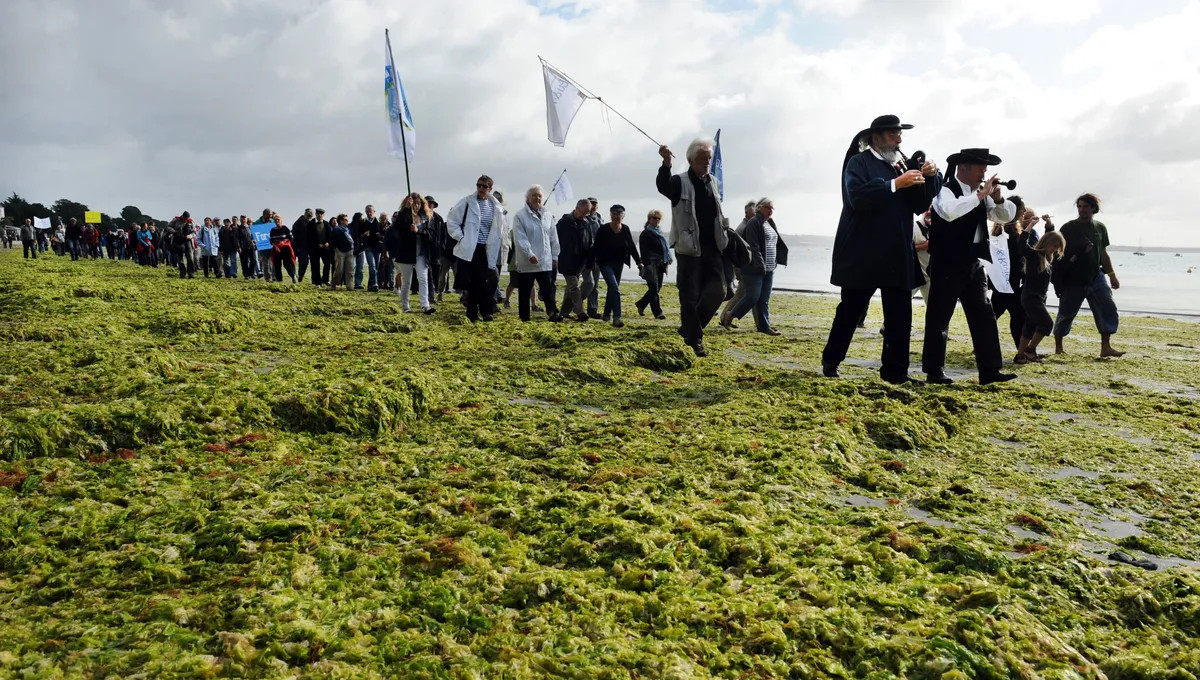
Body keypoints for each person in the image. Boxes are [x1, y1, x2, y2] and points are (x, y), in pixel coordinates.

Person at [822, 115, 940, 382]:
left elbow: (919, 205)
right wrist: (896, 184)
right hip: (862, 253)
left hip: (897, 252)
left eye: (900, 134)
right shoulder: (858, 162)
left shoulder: (901, 165)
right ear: (875, 137)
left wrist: (930, 177)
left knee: (900, 316)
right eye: (893, 135)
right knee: (850, 311)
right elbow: (857, 197)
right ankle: (831, 360)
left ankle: (896, 372)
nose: (899, 139)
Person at [922, 148, 1017, 385]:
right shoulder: (945, 190)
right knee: (939, 317)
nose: (984, 173)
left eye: (985, 169)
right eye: (980, 168)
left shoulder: (980, 194)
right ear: (963, 167)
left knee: (984, 315)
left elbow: (1003, 217)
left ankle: (990, 370)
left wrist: (997, 198)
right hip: (946, 261)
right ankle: (935, 371)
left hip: (974, 261)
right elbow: (950, 212)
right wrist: (980, 195)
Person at [656, 138, 730, 357]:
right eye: (702, 158)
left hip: (713, 247)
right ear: (691, 160)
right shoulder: (679, 182)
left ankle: (689, 328)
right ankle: (694, 340)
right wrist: (666, 163)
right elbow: (663, 186)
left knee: (718, 292)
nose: (707, 162)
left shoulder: (713, 181)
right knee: (689, 296)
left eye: (709, 158)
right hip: (688, 248)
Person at [1053, 193, 1123, 357]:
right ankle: (1058, 348)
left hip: (1096, 276)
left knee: (1107, 308)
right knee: (1066, 313)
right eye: (1079, 206)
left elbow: (1103, 254)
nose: (1082, 209)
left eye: (1085, 206)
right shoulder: (1068, 227)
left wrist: (1112, 275)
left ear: (1093, 208)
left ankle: (1106, 347)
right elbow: (1057, 253)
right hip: (1074, 278)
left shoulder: (1100, 227)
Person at [445, 175, 509, 323]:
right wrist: (461, 237)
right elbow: (452, 221)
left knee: (491, 278)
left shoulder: (495, 206)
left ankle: (474, 312)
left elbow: (501, 228)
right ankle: (484, 311)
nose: (481, 188)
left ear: (490, 188)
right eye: (479, 185)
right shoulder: (467, 202)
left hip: (488, 247)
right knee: (478, 280)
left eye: (484, 186)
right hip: (472, 247)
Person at [727, 198, 787, 335]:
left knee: (764, 300)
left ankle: (764, 327)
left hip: (770, 267)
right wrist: (760, 264)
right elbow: (753, 246)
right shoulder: (754, 222)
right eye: (767, 207)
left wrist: (776, 260)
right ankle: (730, 315)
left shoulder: (769, 223)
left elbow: (774, 243)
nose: (770, 211)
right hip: (754, 267)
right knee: (752, 297)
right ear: (759, 207)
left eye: (772, 208)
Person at [987, 196, 1036, 351]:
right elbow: (1018, 255)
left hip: (1001, 282)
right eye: (1022, 209)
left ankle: (983, 346)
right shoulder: (1010, 232)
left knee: (993, 315)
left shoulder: (1000, 230)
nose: (1024, 212)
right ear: (1015, 210)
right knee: (1018, 317)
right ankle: (1021, 351)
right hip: (1010, 283)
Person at [511, 185, 562, 322]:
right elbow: (520, 239)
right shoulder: (520, 216)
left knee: (547, 289)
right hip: (528, 261)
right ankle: (524, 317)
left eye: (539, 196)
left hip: (545, 260)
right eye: (534, 195)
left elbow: (553, 237)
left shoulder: (548, 215)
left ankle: (552, 313)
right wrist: (530, 254)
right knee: (525, 291)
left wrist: (555, 256)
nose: (537, 198)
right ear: (528, 198)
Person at [590, 204, 641, 328]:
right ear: (610, 215)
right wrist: (589, 263)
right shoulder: (604, 229)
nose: (616, 216)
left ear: (623, 216)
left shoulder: (625, 229)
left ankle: (606, 314)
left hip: (619, 263)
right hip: (605, 263)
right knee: (615, 288)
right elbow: (596, 246)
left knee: (612, 289)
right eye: (614, 213)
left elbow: (631, 246)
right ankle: (617, 317)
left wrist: (639, 262)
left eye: (619, 214)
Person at [1018, 229, 1065, 363]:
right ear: (1046, 242)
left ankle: (1020, 355)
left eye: (1057, 247)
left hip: (1039, 298)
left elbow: (1050, 233)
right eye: (1054, 246)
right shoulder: (1034, 255)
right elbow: (1022, 244)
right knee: (1047, 324)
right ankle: (1030, 350)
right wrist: (1030, 226)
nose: (1054, 250)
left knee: (1030, 325)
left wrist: (1049, 225)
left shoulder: (1048, 258)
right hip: (1031, 297)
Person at [389, 193, 437, 313]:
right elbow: (397, 226)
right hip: (406, 253)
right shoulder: (404, 216)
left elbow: (431, 234)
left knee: (423, 278)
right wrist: (406, 208)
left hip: (421, 253)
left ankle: (425, 305)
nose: (416, 206)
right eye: (414, 203)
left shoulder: (426, 217)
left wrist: (419, 230)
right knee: (407, 281)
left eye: (418, 203)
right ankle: (406, 306)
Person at [719, 201, 757, 328]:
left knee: (745, 293)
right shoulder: (744, 227)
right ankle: (725, 317)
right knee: (742, 293)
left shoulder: (746, 226)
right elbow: (738, 249)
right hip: (742, 265)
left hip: (742, 264)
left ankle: (725, 317)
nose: (756, 214)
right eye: (754, 211)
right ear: (747, 213)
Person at [556, 199, 594, 322]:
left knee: (589, 284)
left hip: (582, 261)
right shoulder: (564, 222)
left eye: (587, 213)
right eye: (583, 212)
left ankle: (564, 312)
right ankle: (580, 312)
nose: (584, 215)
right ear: (576, 208)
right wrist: (554, 257)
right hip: (566, 260)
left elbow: (590, 243)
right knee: (573, 286)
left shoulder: (587, 223)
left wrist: (590, 261)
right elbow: (554, 240)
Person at [635, 209, 671, 319]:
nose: (656, 220)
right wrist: (646, 264)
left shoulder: (660, 233)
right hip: (651, 264)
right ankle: (658, 313)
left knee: (657, 288)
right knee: (654, 289)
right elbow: (643, 251)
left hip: (661, 264)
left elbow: (664, 249)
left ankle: (641, 304)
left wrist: (666, 260)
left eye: (659, 218)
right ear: (649, 219)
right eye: (654, 218)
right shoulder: (646, 233)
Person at [579, 197, 603, 318]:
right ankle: (575, 303)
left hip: (597, 256)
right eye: (591, 204)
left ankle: (592, 310)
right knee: (588, 283)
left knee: (595, 284)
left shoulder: (599, 218)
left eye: (595, 204)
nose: (593, 206)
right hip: (584, 257)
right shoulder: (582, 218)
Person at [426, 196, 452, 302]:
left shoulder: (438, 219)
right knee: (427, 272)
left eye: (431, 203)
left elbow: (443, 236)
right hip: (424, 249)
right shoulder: (419, 217)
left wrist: (441, 248)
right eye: (427, 203)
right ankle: (431, 295)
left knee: (436, 272)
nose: (429, 205)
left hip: (437, 250)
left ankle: (436, 292)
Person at [269, 214, 297, 283]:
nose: (277, 221)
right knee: (277, 265)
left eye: (278, 219)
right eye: (275, 220)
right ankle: (279, 280)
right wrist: (275, 245)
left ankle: (293, 276)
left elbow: (291, 238)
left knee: (287, 264)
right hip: (277, 249)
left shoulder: (285, 228)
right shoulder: (272, 230)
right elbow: (271, 240)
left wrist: (285, 243)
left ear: (281, 220)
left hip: (285, 249)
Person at [329, 214, 355, 290]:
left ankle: (349, 286)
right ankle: (334, 283)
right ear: (341, 221)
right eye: (345, 220)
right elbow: (332, 241)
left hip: (350, 250)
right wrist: (336, 249)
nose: (347, 221)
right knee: (339, 269)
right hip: (340, 251)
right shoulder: (336, 229)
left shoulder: (348, 229)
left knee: (350, 269)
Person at [168, 212, 197, 279]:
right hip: (178, 241)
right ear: (182, 216)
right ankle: (182, 273)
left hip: (188, 241)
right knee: (180, 258)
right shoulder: (175, 220)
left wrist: (190, 236)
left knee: (190, 258)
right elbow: (168, 227)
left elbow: (194, 232)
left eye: (187, 218)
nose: (185, 220)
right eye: (185, 218)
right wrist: (174, 232)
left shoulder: (191, 222)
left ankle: (191, 274)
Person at [912, 210, 932, 301]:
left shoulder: (938, 228)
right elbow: (906, 249)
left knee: (933, 306)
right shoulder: (914, 226)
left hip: (929, 276)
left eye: (932, 209)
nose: (929, 211)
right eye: (927, 209)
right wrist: (923, 246)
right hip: (914, 276)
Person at [309, 209, 331, 286]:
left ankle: (325, 279)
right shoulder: (311, 223)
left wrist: (327, 242)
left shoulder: (326, 223)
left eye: (321, 214)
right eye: (318, 214)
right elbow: (309, 236)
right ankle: (317, 282)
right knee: (315, 265)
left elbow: (330, 235)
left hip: (325, 248)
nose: (320, 215)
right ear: (316, 214)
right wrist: (316, 244)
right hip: (314, 249)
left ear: (323, 215)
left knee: (327, 264)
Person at [291, 209, 313, 283]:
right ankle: (294, 276)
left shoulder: (311, 222)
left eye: (311, 214)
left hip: (305, 247)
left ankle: (300, 276)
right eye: (309, 214)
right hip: (297, 245)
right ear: (305, 214)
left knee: (304, 262)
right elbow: (293, 232)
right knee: (293, 262)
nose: (310, 215)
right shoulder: (299, 222)